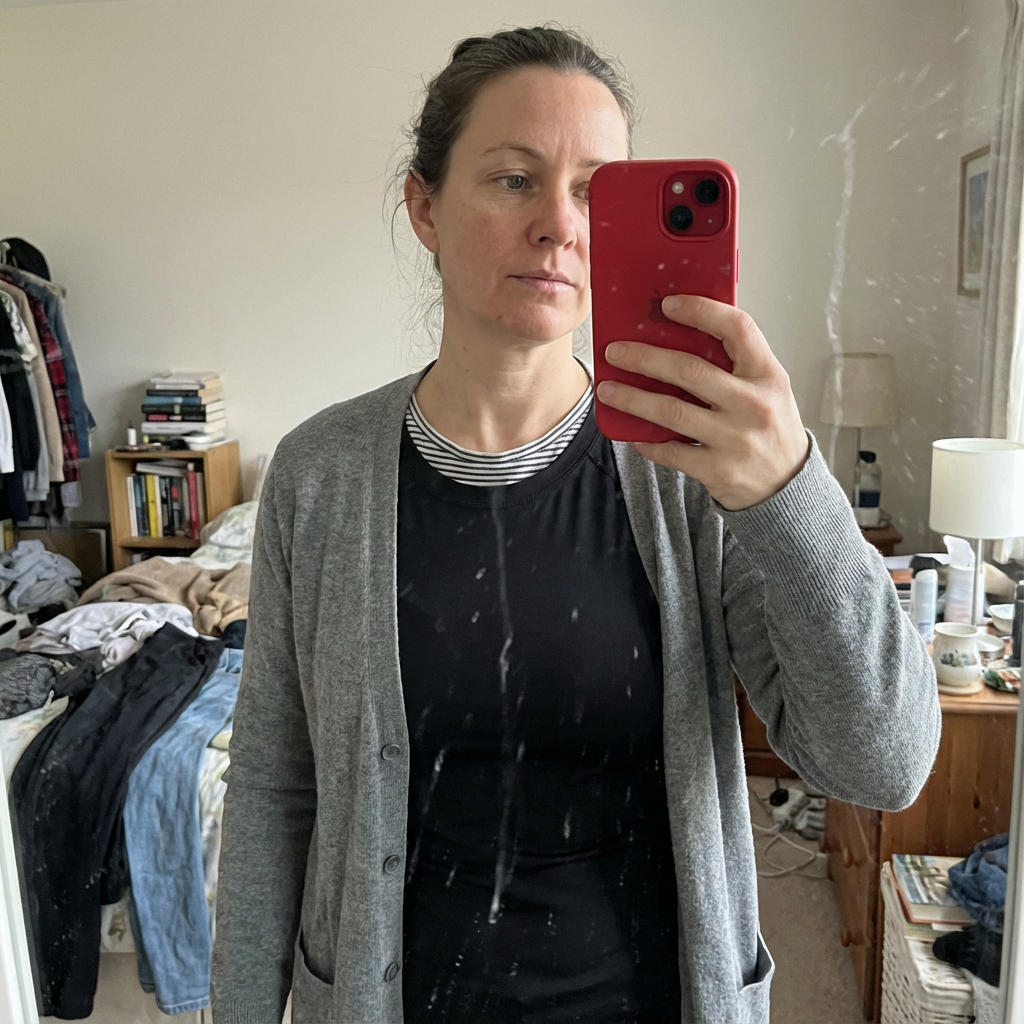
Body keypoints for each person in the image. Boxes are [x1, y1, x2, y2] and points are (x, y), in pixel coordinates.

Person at [211, 26, 939, 1024]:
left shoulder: (696, 475)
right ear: (424, 208)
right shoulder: (319, 473)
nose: (559, 225)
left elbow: (883, 764)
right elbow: (273, 784)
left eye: (596, 192)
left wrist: (787, 492)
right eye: (514, 180)